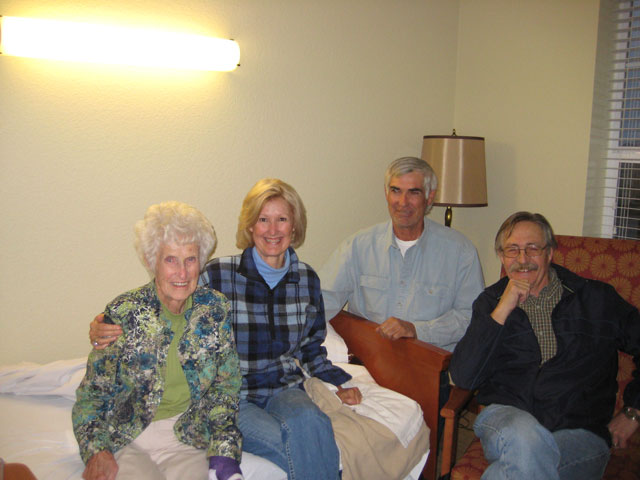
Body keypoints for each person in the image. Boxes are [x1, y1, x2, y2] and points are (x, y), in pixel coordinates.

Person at [89, 180, 362, 480]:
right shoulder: (219, 274)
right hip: (234, 394)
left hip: (284, 387)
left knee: (312, 423)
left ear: (294, 226)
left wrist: (338, 381)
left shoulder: (307, 279)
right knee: (287, 444)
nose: (272, 230)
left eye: (282, 219)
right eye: (263, 219)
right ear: (250, 225)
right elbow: (171, 296)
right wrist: (110, 321)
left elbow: (311, 344)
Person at [449, 211, 640, 480]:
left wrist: (633, 411)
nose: (522, 259)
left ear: (549, 253)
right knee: (524, 438)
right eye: (512, 250)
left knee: (520, 464)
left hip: (580, 432)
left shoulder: (596, 299)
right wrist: (502, 309)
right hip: (507, 419)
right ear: (502, 256)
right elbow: (463, 376)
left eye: (532, 248)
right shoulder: (490, 303)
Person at [73, 201, 243, 480]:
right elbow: (92, 396)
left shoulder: (214, 310)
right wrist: (96, 450)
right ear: (152, 261)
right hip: (128, 437)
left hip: (186, 436)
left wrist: (224, 452)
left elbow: (225, 389)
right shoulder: (124, 313)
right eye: (170, 260)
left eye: (190, 259)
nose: (182, 273)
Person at [319, 156, 484, 351]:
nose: (403, 202)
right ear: (386, 193)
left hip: (429, 364)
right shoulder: (357, 246)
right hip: (367, 359)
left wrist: (417, 330)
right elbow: (322, 302)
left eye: (414, 192)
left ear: (430, 197)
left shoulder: (460, 252)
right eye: (396, 191)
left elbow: (470, 317)